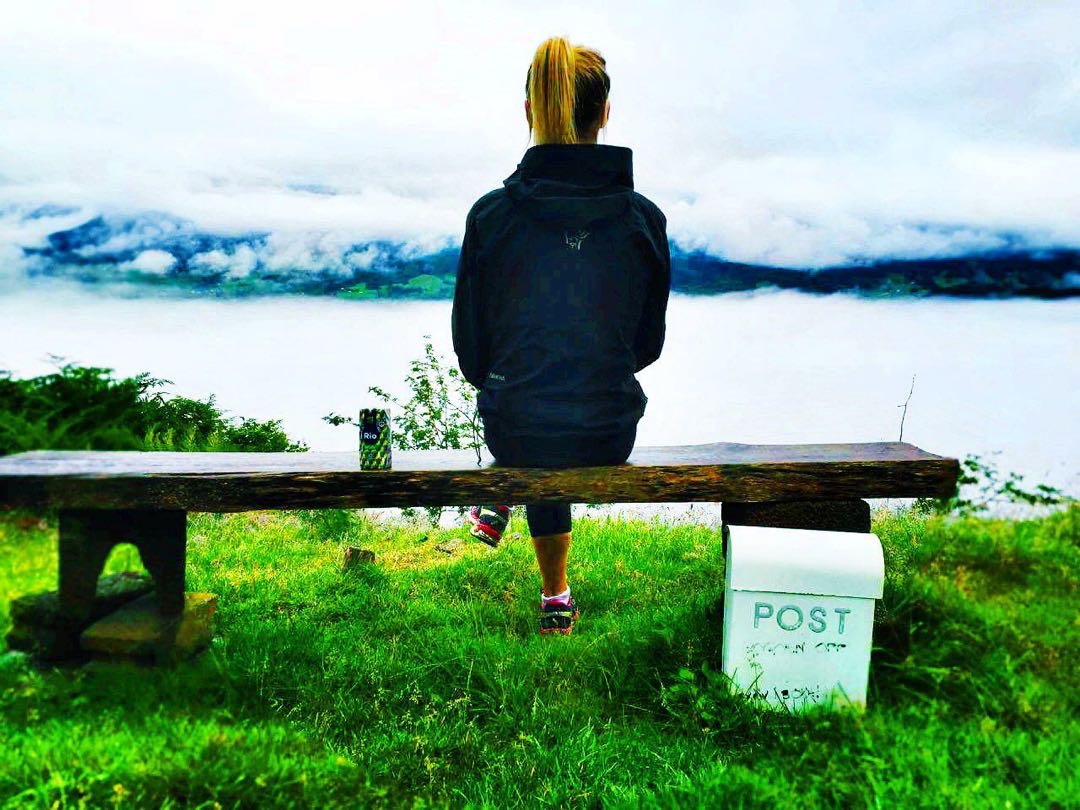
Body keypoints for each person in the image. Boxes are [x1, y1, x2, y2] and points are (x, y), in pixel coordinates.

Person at [451, 35, 671, 635]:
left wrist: (527, 381)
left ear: (530, 111)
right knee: (553, 406)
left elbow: (471, 350)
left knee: (533, 412)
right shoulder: (644, 220)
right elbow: (648, 345)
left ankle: (549, 582)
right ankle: (555, 595)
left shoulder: (490, 217)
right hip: (608, 431)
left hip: (515, 428)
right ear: (605, 113)